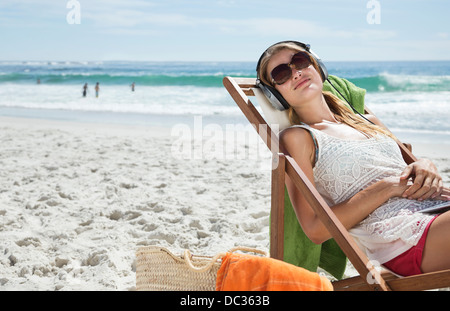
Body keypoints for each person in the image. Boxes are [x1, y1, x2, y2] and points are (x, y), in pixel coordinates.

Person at [256, 41, 450, 277]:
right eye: (282, 73)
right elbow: (315, 229)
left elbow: (408, 167)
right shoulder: (298, 138)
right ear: (274, 95)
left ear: (318, 68)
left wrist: (424, 163)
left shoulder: (368, 122)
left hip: (438, 210)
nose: (296, 73)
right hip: (406, 238)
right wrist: (385, 188)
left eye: (300, 61)